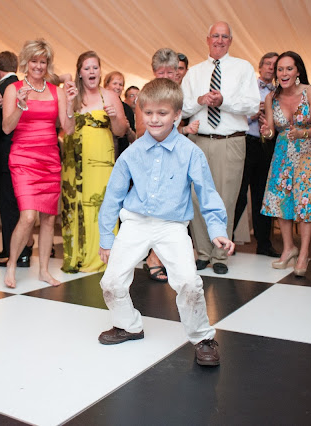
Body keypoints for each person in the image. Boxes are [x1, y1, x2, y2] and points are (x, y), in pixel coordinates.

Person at [97, 78, 232, 366]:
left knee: (188, 282)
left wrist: (217, 229)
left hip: (172, 226)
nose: (155, 119)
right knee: (111, 281)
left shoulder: (191, 152)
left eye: (162, 113)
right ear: (140, 113)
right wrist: (106, 238)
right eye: (148, 113)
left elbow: (207, 193)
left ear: (177, 115)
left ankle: (203, 338)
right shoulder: (131, 153)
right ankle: (128, 325)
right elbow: (112, 197)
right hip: (135, 223)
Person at [182, 21, 260, 275]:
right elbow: (182, 107)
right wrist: (200, 100)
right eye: (215, 36)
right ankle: (203, 253)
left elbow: (252, 105)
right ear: (207, 39)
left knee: (226, 198)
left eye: (224, 36)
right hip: (199, 141)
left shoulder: (243, 68)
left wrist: (224, 101)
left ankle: (220, 255)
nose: (219, 40)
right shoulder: (194, 73)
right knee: (196, 198)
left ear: (230, 41)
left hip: (231, 141)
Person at [1, 38, 75, 288]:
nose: (39, 66)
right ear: (26, 62)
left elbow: (68, 129)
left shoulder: (57, 91)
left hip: (49, 159)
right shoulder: (14, 89)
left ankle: (43, 270)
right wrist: (21, 106)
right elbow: (6, 127)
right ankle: (12, 265)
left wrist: (71, 104)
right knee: (28, 216)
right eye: (34, 61)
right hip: (23, 158)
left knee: (48, 219)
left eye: (43, 62)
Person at [135, 48, 199, 282]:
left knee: (175, 208)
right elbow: (141, 131)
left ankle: (166, 257)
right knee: (158, 209)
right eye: (160, 72)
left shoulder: (180, 95)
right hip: (152, 158)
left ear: (177, 72)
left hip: (178, 159)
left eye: (170, 72)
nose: (165, 76)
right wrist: (180, 130)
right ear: (154, 72)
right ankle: (154, 258)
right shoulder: (147, 95)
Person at [61, 52, 127, 273]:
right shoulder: (71, 95)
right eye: (87, 68)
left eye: (95, 68)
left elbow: (121, 131)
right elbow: (67, 129)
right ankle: (79, 256)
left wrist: (114, 117)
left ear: (100, 71)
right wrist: (69, 104)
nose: (92, 72)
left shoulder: (110, 96)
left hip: (102, 161)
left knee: (103, 205)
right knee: (79, 205)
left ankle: (104, 256)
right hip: (76, 163)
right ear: (80, 72)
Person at [259, 51, 311, 277]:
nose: (284, 73)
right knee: (280, 199)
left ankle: (304, 253)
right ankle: (288, 249)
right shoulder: (272, 98)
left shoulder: (310, 92)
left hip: (307, 153)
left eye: (289, 68)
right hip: (282, 153)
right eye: (280, 69)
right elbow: (270, 131)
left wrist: (302, 133)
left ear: (298, 71)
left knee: (305, 202)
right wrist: (266, 132)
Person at [233, 51, 280, 258]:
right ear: (260, 67)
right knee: (239, 194)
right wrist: (253, 114)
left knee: (263, 195)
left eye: (275, 65)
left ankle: (264, 244)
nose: (271, 67)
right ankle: (227, 239)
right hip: (246, 142)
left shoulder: (280, 92)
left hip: (268, 144)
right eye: (268, 63)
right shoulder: (247, 87)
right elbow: (233, 114)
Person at [0, 51, 26, 264]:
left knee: (8, 205)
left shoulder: (4, 88)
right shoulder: (19, 86)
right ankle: (14, 249)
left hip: (7, 153)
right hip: (19, 151)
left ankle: (14, 252)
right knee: (17, 204)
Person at [104, 70, 136, 157]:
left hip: (121, 155)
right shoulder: (99, 105)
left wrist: (128, 129)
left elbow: (134, 140)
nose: (118, 87)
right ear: (106, 85)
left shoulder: (127, 109)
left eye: (120, 85)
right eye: (115, 83)